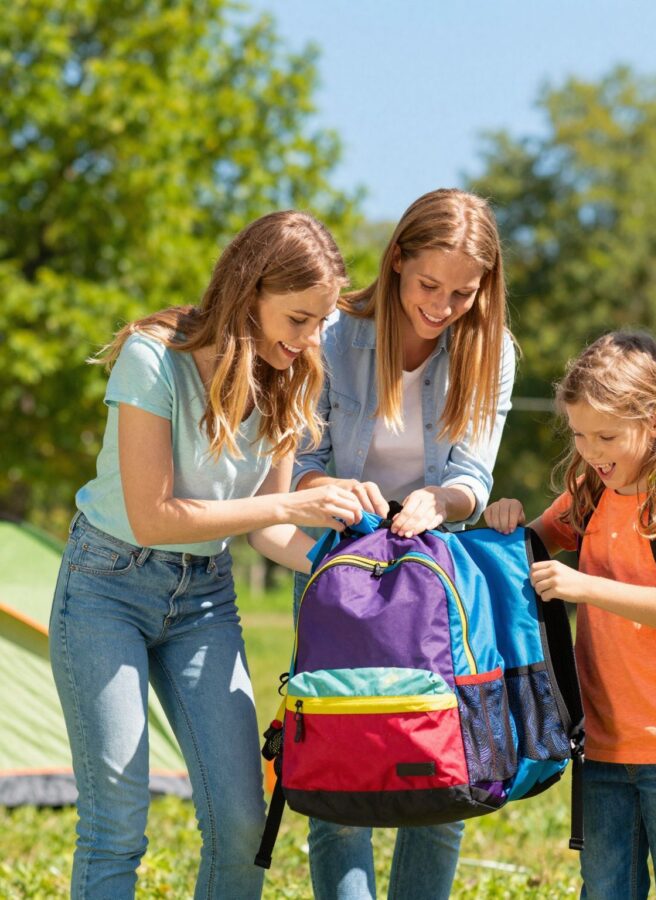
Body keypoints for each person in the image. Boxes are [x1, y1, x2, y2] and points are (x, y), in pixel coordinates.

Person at [49, 210, 363, 899]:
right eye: (299, 318)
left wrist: (353, 570)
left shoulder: (292, 375)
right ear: (251, 292)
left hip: (205, 599)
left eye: (321, 323)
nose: (311, 339)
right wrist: (288, 506)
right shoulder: (153, 359)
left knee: (245, 824)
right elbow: (154, 515)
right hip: (107, 587)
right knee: (118, 818)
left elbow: (271, 535)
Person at [291, 188, 515, 900]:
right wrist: (333, 489)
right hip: (344, 566)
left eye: (462, 292)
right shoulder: (331, 334)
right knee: (340, 766)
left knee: (439, 770)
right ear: (396, 263)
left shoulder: (491, 348)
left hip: (429, 575)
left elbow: (472, 477)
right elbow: (299, 454)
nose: (443, 306)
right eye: (428, 285)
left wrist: (437, 499)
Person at [485, 331, 656, 899]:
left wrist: (583, 586)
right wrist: (507, 517)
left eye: (606, 436)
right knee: (604, 890)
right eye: (579, 435)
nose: (593, 452)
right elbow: (527, 546)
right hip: (599, 741)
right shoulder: (590, 492)